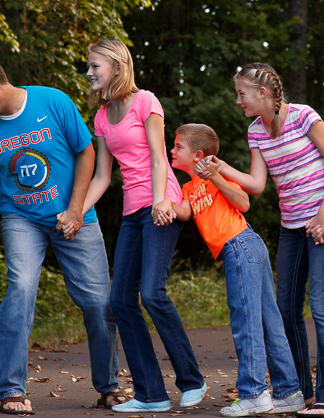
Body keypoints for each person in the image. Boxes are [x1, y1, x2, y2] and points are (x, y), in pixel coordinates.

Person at [0, 54, 123, 415]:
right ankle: (11, 392)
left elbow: (86, 152)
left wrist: (76, 209)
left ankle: (109, 385)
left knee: (97, 301)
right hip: (21, 218)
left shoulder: (53, 101)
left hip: (74, 213)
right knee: (21, 289)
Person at [201, 63, 324, 417]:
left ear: (262, 93)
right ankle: (302, 393)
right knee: (286, 310)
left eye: (242, 94)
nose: (238, 101)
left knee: (323, 308)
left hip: (322, 221)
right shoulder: (256, 131)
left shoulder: (304, 117)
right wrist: (218, 168)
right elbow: (256, 184)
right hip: (291, 226)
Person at [81, 40, 207, 413]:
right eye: (88, 66)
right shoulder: (102, 117)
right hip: (133, 212)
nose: (89, 72)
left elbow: (157, 157)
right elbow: (104, 176)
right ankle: (151, 393)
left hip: (160, 202)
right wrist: (77, 213)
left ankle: (192, 381)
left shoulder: (146, 102)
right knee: (120, 300)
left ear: (117, 67)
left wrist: (159, 202)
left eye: (95, 66)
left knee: (152, 293)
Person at [162, 123, 305, 417]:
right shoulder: (189, 187)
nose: (172, 150)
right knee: (268, 321)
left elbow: (243, 201)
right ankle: (289, 393)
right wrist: (164, 204)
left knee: (246, 320)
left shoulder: (217, 176)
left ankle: (253, 393)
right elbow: (186, 212)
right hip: (244, 248)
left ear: (198, 154)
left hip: (241, 245)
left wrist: (215, 174)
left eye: (177, 146)